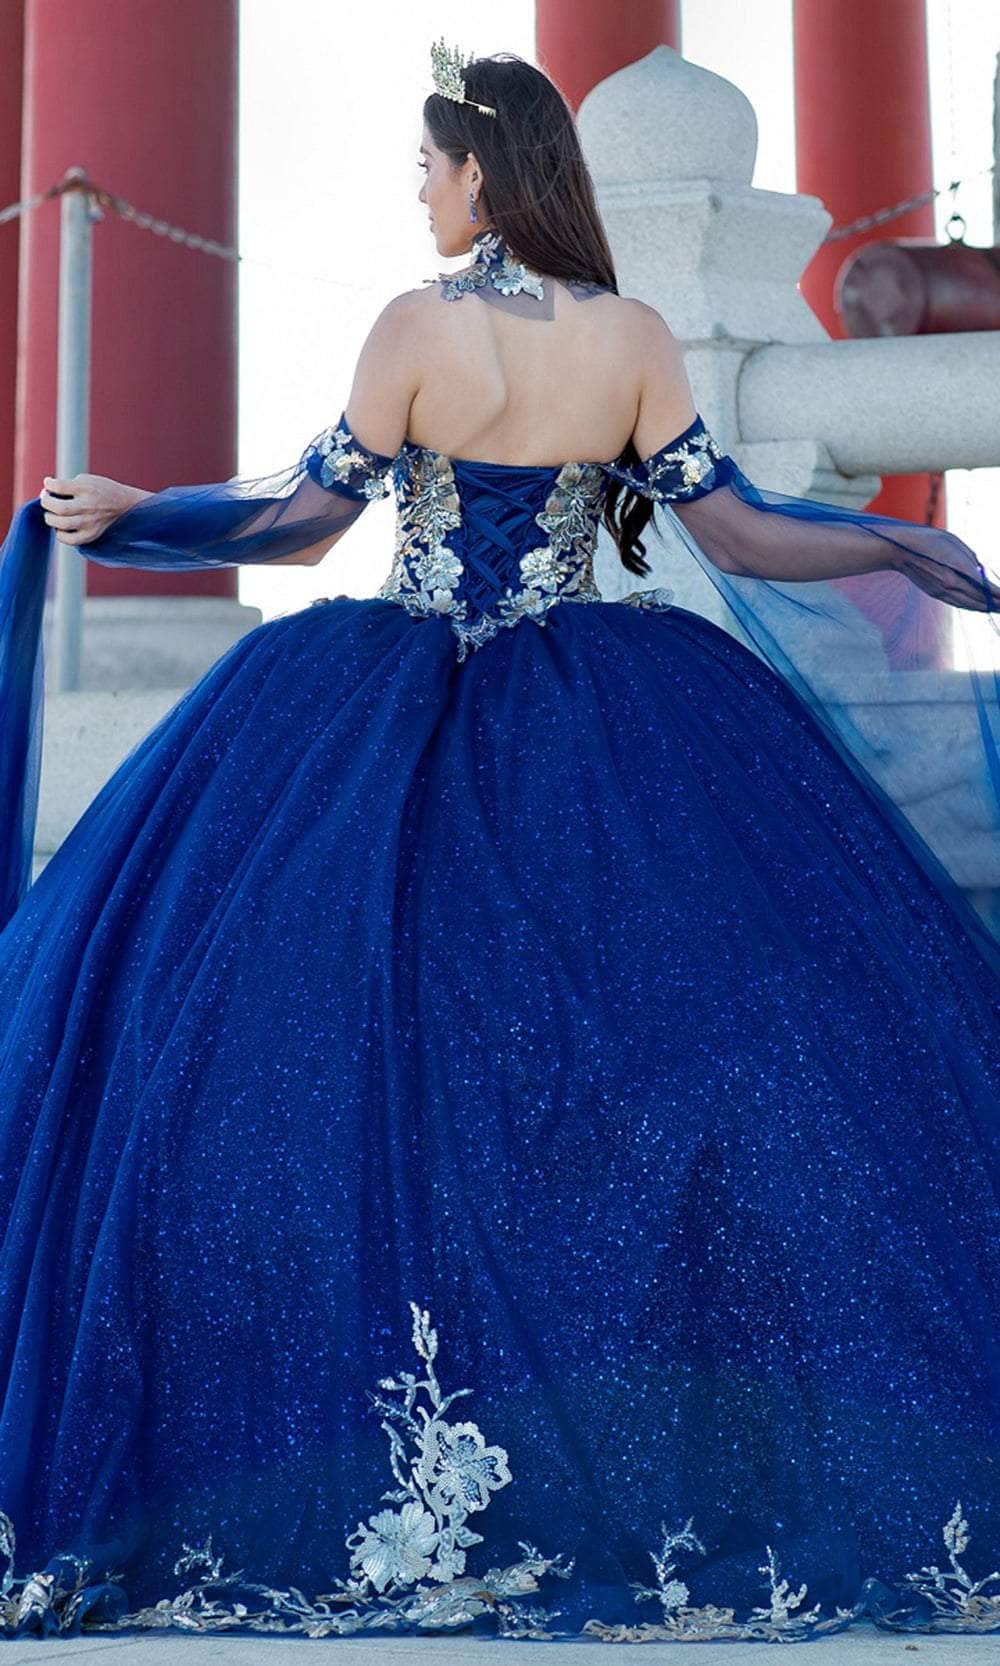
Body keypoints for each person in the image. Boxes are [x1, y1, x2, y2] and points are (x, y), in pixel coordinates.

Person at [0, 41, 997, 1645]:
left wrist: (142, 512)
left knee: (349, 1051)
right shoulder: (630, 335)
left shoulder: (417, 327)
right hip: (602, 720)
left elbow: (298, 525)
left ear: (481, 170)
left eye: (428, 163)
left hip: (388, 719)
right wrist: (896, 541)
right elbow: (740, 531)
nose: (417, 190)